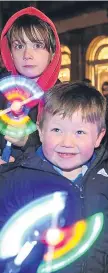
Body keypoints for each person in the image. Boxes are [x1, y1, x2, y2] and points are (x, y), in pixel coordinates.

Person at [0, 82, 108, 273]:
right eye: (56, 129)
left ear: (98, 137)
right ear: (40, 130)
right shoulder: (17, 180)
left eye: (80, 132)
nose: (67, 142)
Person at [0, 6, 61, 164]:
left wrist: (29, 141)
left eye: (37, 45)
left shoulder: (64, 99)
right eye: (19, 46)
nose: (27, 55)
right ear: (10, 53)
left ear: (52, 53)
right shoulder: (2, 89)